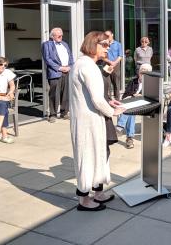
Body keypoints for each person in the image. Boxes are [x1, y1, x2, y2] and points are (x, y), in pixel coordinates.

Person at [70, 31, 125, 211]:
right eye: (105, 45)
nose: (108, 49)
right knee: (87, 156)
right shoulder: (88, 66)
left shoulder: (83, 64)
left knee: (94, 154)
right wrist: (113, 111)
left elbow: (91, 94)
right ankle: (84, 200)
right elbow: (96, 99)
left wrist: (109, 101)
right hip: (88, 120)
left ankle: (96, 193)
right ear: (94, 45)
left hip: (87, 118)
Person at [41, 27, 74, 122]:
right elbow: (47, 59)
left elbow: (70, 56)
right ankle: (52, 114)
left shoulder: (65, 44)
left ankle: (64, 112)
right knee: (54, 94)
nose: (61, 36)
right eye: (59, 35)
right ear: (52, 36)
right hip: (55, 72)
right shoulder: (46, 45)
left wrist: (70, 66)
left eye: (62, 35)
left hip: (67, 71)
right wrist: (59, 68)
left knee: (65, 93)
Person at [117, 65, 151, 149]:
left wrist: (140, 95)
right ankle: (130, 138)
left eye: (145, 70)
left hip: (144, 104)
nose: (142, 72)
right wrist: (132, 95)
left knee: (130, 109)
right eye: (141, 70)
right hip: (132, 104)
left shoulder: (151, 83)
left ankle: (120, 127)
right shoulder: (133, 81)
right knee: (130, 111)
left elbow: (151, 97)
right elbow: (125, 95)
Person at [102, 30, 123, 100]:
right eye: (105, 36)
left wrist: (114, 63)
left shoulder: (118, 44)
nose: (107, 37)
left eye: (108, 35)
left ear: (112, 35)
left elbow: (120, 56)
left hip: (115, 65)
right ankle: (107, 99)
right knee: (106, 83)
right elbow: (102, 56)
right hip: (106, 65)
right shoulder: (103, 45)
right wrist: (109, 62)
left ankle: (117, 99)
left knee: (116, 83)